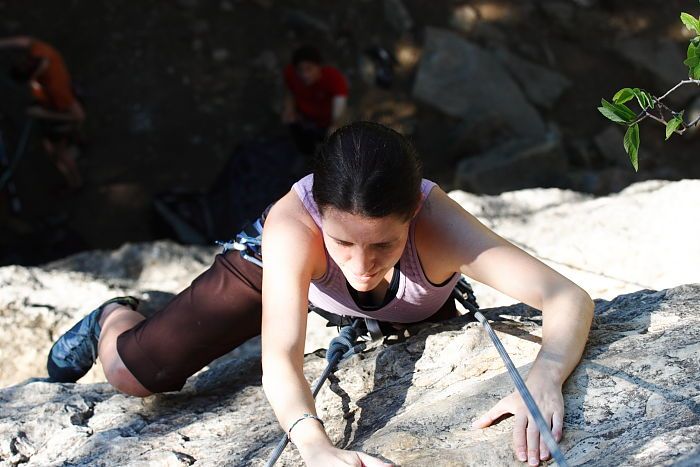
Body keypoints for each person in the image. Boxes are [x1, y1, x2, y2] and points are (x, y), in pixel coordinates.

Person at [47, 122, 594, 466]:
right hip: (285, 270)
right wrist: (315, 446)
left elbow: (566, 296)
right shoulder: (293, 229)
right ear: (318, 215)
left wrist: (545, 373)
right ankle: (112, 316)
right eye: (342, 241)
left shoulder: (440, 227)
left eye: (384, 243)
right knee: (131, 376)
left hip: (389, 292)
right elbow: (281, 356)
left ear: (414, 216)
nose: (361, 264)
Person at [0, 36, 85, 189]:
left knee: (58, 153)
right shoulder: (41, 52)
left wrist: (40, 113)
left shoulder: (55, 88)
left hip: (60, 115)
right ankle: (79, 139)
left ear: (31, 77)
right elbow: (24, 41)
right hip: (55, 102)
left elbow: (78, 115)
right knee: (60, 141)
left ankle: (76, 183)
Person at [282, 45, 349, 155]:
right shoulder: (290, 74)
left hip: (326, 124)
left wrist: (335, 125)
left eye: (309, 69)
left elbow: (340, 109)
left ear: (319, 66)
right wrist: (289, 109)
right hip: (304, 120)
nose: (305, 75)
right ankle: (307, 154)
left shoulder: (334, 78)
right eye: (300, 70)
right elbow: (290, 91)